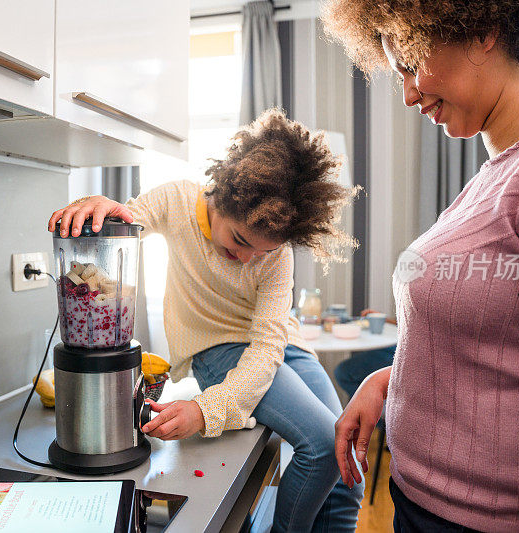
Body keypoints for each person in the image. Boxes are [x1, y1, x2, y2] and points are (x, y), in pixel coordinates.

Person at [322, 0, 519, 531]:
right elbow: (508, 350)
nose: (409, 94)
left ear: (483, 28)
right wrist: (390, 382)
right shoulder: (496, 174)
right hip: (421, 505)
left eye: (411, 64)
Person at [49, 110, 364, 532]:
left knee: (347, 462)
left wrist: (205, 409)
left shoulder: (278, 255)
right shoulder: (179, 200)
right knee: (325, 446)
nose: (251, 257)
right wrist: (102, 208)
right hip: (220, 349)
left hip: (281, 348)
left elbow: (269, 345)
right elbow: (129, 216)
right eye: (240, 240)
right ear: (221, 198)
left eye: (265, 251)